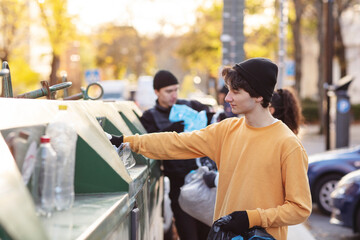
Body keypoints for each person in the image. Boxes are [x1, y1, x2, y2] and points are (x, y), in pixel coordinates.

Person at [110, 58, 312, 239]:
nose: (227, 98)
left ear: (259, 96)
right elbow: (176, 142)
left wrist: (252, 218)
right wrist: (126, 141)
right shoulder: (227, 130)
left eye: (235, 92)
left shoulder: (288, 144)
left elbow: (300, 209)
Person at [138, 70, 212, 240]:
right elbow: (151, 144)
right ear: (157, 91)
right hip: (179, 186)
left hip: (203, 183)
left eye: (176, 90)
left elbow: (212, 119)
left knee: (209, 235)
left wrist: (207, 116)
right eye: (168, 91)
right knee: (188, 234)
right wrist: (170, 131)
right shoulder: (150, 117)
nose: (174, 95)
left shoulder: (191, 106)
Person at [203, 87, 305, 188]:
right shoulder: (281, 138)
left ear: (270, 110)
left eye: (261, 105)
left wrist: (215, 179)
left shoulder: (280, 142)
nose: (228, 98)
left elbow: (249, 179)